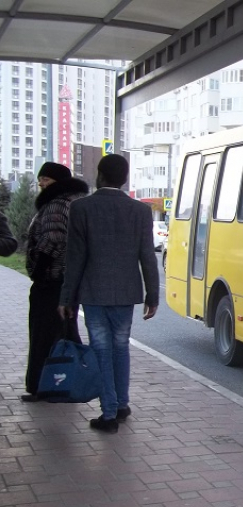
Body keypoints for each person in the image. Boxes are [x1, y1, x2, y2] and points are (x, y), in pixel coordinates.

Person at [59, 155, 159, 433]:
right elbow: (147, 257)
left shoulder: (82, 208)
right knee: (120, 347)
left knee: (101, 349)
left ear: (100, 175)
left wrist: (67, 297)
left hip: (93, 292)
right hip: (126, 293)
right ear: (125, 179)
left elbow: (75, 258)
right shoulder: (140, 211)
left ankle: (109, 414)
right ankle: (122, 404)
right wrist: (153, 295)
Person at [21, 162, 89, 402]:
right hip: (70, 280)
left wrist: (39, 272)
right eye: (40, 179)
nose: (41, 183)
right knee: (65, 332)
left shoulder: (57, 203)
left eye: (46, 180)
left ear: (58, 183)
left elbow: (51, 238)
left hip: (52, 279)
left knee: (44, 333)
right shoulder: (77, 202)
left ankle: (41, 386)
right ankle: (71, 381)